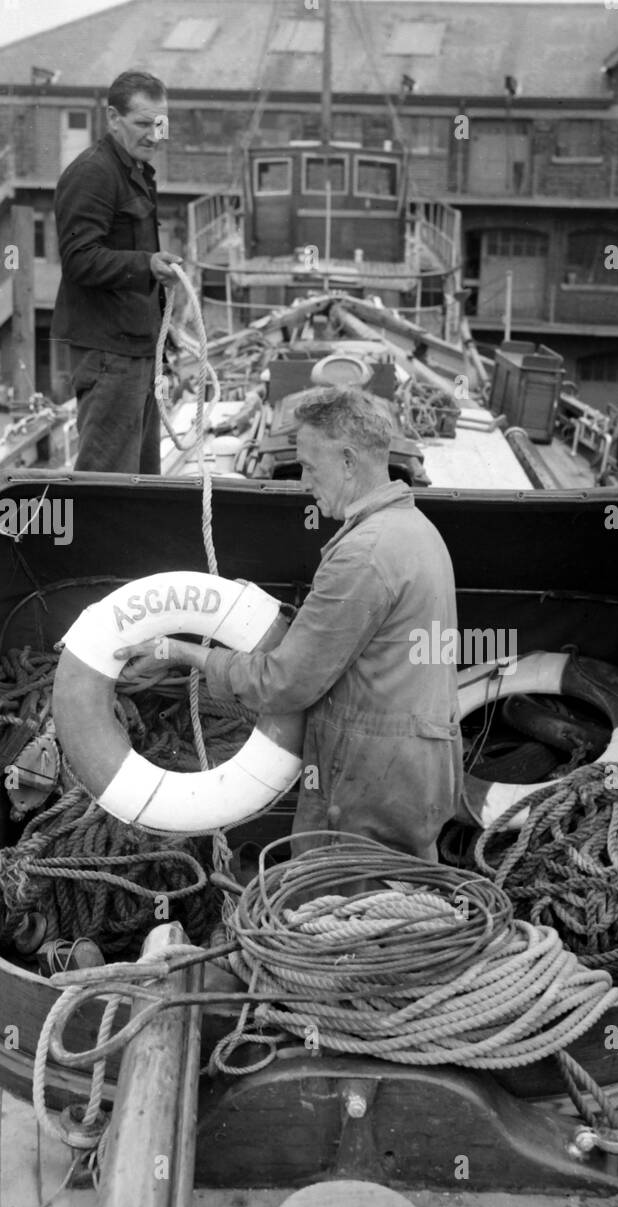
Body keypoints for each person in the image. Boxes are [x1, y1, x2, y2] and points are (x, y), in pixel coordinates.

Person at [116, 387, 463, 861]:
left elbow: (283, 685)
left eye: (309, 466)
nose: (303, 482)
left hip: (366, 786)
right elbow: (359, 642)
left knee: (338, 913)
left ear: (347, 461)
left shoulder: (365, 554)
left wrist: (180, 653)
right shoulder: (418, 532)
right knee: (399, 910)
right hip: (415, 772)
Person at [51, 69, 182, 474]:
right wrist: (146, 265)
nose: (153, 135)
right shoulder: (94, 172)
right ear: (112, 118)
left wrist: (163, 327)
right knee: (107, 484)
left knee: (141, 483)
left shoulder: (136, 172)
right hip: (110, 356)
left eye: (159, 124)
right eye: (143, 124)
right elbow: (78, 258)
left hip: (138, 351)